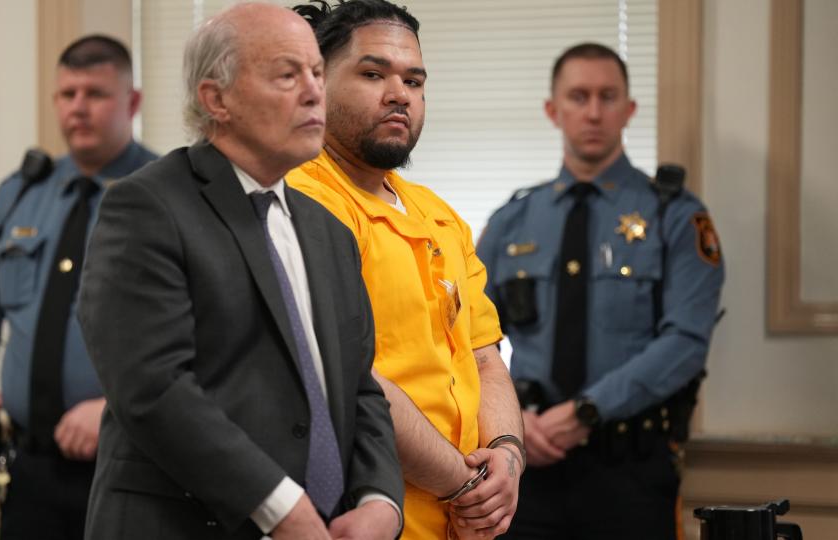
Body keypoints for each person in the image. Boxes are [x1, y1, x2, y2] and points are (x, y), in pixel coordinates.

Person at [77, 4, 404, 540]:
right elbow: (152, 387)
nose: (313, 91)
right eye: (287, 74)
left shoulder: (330, 233)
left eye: (317, 73)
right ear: (216, 99)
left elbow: (360, 389)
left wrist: (380, 500)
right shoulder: (146, 206)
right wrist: (279, 506)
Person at [287, 2, 524, 538]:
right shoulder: (302, 200)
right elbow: (347, 377)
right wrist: (464, 487)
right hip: (364, 516)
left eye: (414, 80)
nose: (400, 93)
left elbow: (486, 359)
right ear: (318, 84)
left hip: (465, 521)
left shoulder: (438, 213)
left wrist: (507, 460)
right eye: (373, 74)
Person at [477, 42, 725, 540]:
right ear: (553, 110)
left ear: (629, 110)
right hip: (524, 469)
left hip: (630, 473)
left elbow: (686, 342)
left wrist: (588, 411)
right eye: (578, 96)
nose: (593, 111)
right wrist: (514, 421)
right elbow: (465, 339)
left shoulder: (675, 216)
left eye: (608, 96)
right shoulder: (512, 220)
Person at [0, 34, 155, 539]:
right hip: (30, 466)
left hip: (132, 463)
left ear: (131, 102)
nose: (78, 108)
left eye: (96, 94)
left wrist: (114, 409)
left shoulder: (167, 194)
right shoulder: (21, 193)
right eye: (67, 94)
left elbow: (207, 330)